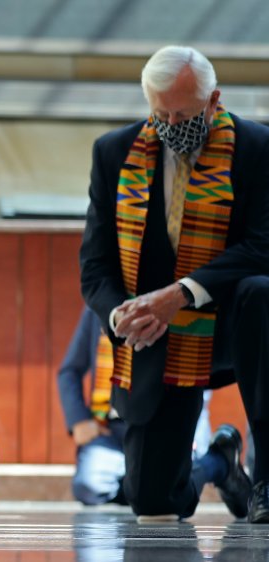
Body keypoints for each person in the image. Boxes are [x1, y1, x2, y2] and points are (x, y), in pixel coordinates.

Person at [80, 46, 269, 522]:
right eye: (159, 112)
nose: (170, 124)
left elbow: (263, 246)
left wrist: (181, 293)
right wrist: (120, 314)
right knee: (152, 501)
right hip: (162, 337)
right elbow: (95, 267)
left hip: (238, 324)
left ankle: (265, 477)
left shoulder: (257, 148)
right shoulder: (114, 153)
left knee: (261, 293)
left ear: (213, 101)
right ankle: (219, 464)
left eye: (182, 114)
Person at [58, 305, 213, 506]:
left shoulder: (174, 303)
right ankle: (139, 488)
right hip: (111, 430)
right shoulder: (98, 308)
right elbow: (69, 371)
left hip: (162, 425)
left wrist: (192, 428)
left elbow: (197, 377)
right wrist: (78, 420)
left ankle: (220, 463)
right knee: (89, 485)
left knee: (178, 487)